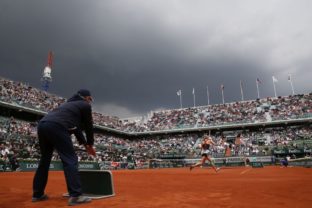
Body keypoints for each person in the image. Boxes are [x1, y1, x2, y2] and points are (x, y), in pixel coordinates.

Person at [32, 89, 96, 206]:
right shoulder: (84, 105)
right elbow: (88, 126)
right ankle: (76, 196)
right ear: (85, 97)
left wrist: (85, 144)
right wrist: (90, 144)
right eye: (90, 99)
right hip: (57, 126)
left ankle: (37, 194)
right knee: (70, 159)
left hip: (42, 125)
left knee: (45, 160)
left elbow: (75, 128)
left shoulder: (67, 105)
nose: (90, 101)